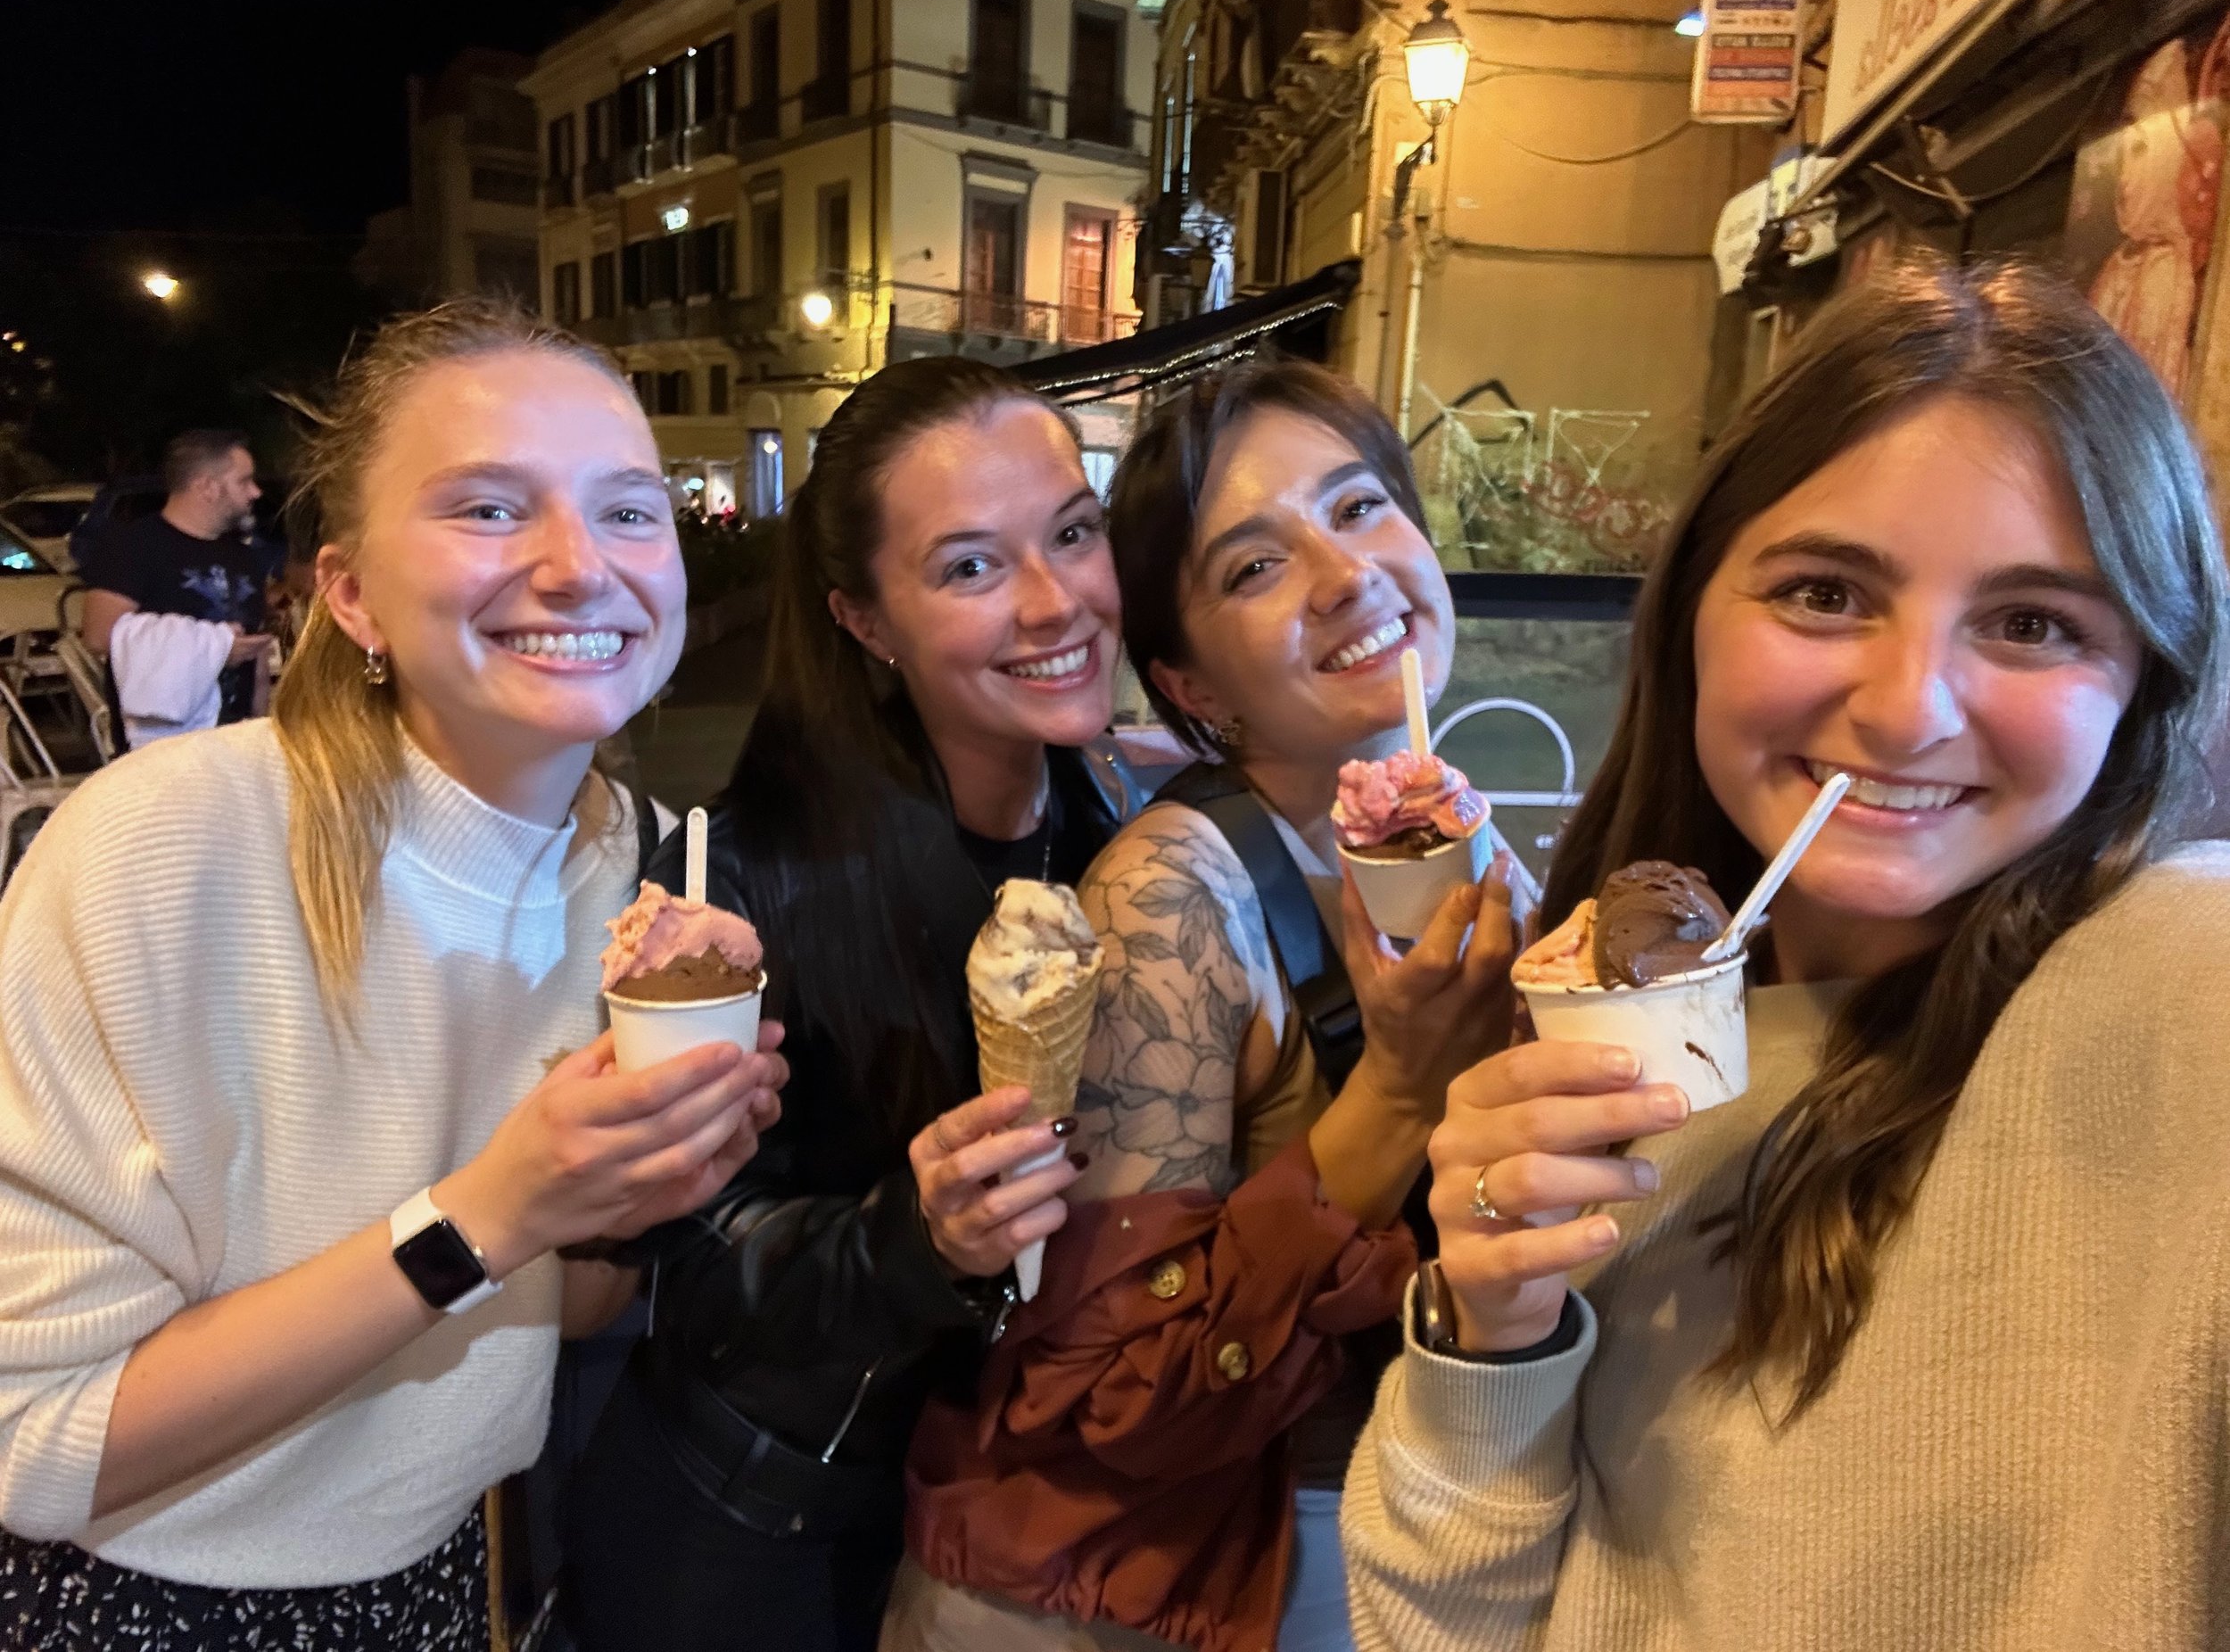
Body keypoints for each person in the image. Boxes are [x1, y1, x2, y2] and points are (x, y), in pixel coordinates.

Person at [1339, 259, 2230, 1650]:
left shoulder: (2183, 979)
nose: (1906, 707)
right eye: (1826, 592)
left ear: (2145, 680)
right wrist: (1487, 1334)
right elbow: (1442, 1631)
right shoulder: (1625, 1025)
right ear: (1692, 608)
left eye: (2033, 622)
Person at [0, 299, 786, 1649]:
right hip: (146, 1601)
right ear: (349, 590)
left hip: (450, 1579)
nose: (578, 565)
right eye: (488, 508)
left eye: (630, 510)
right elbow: (34, 1441)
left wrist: (633, 1188)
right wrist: (490, 1207)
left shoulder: (637, 876)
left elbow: (558, 1298)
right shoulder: (162, 843)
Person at [887, 359, 1515, 1652]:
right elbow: (1112, 1391)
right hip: (1159, 1584)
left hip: (1398, 1516)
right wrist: (1396, 1090)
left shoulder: (1473, 844)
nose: (1348, 576)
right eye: (1253, 567)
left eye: (1357, 508)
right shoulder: (1173, 897)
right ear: (1192, 686)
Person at [563, 357, 1135, 1652]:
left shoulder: (1120, 837)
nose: (1057, 602)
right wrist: (910, 1234)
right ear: (866, 620)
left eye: (1073, 533)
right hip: (767, 1535)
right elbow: (692, 1256)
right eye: (971, 567)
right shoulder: (740, 881)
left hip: (1006, 1529)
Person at [78, 427, 285, 726]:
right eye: (244, 481)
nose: (256, 491)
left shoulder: (242, 556)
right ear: (208, 487)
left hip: (231, 737)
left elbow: (256, 655)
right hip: (164, 742)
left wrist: (258, 722)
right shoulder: (134, 547)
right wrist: (213, 650)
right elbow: (100, 636)